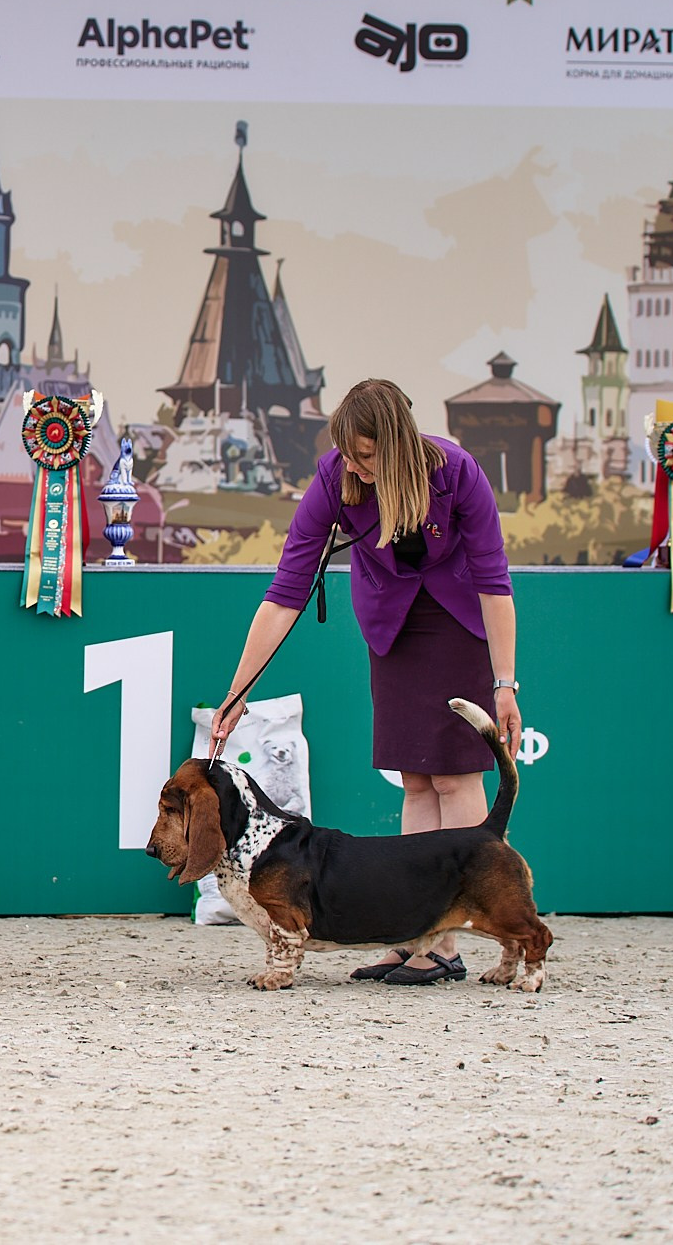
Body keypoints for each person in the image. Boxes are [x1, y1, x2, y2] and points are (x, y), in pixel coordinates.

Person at [210, 379, 521, 986]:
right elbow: (286, 590)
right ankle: (414, 935)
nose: (353, 465)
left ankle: (447, 941)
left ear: (402, 444)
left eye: (367, 455)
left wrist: (505, 683)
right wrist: (238, 688)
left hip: (459, 624)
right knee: (414, 779)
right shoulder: (335, 477)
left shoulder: (457, 472)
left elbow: (493, 581)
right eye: (347, 453)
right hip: (393, 628)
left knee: (455, 777)